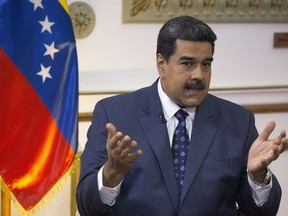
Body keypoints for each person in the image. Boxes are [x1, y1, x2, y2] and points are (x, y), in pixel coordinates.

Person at [76, 16, 287, 216]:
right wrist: (111, 174)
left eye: (206, 64)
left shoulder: (238, 121)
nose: (199, 75)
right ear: (161, 64)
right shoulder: (114, 114)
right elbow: (87, 207)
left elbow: (261, 212)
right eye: (187, 63)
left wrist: (258, 177)